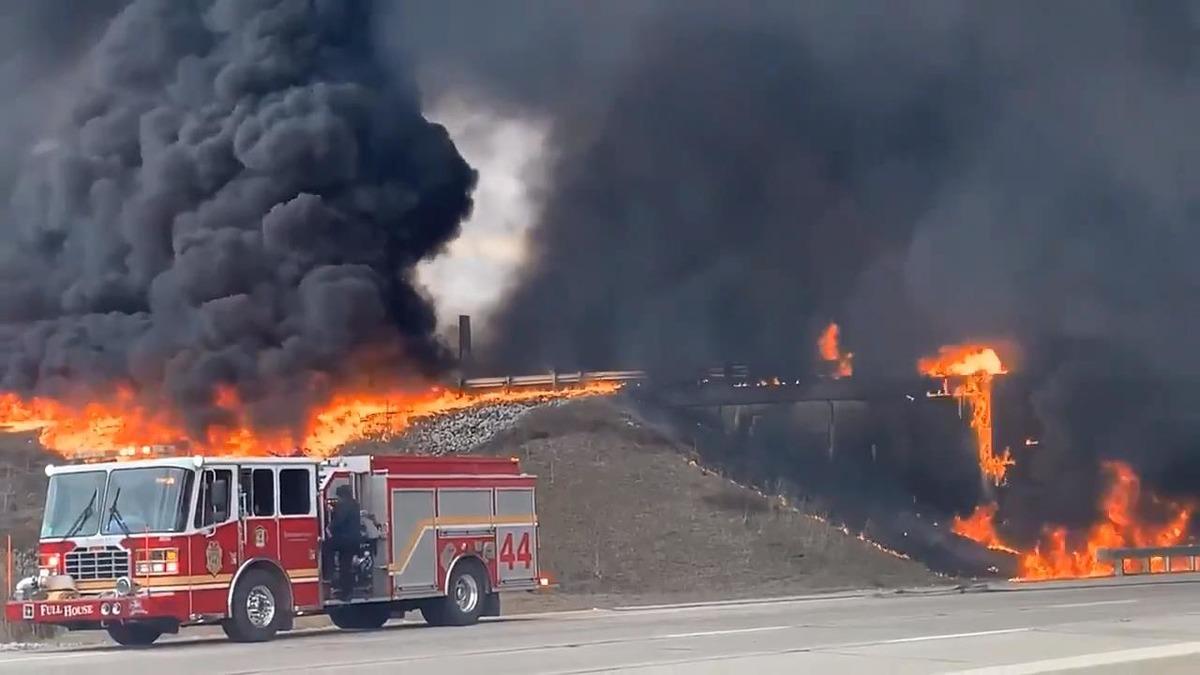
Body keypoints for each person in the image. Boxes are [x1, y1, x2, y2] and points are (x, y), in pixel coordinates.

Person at [325, 484, 362, 598]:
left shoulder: (344, 505)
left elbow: (339, 520)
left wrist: (329, 527)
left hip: (345, 540)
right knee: (346, 565)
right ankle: (346, 590)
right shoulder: (354, 504)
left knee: (327, 547)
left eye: (339, 496)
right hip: (353, 539)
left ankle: (329, 575)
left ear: (342, 495)